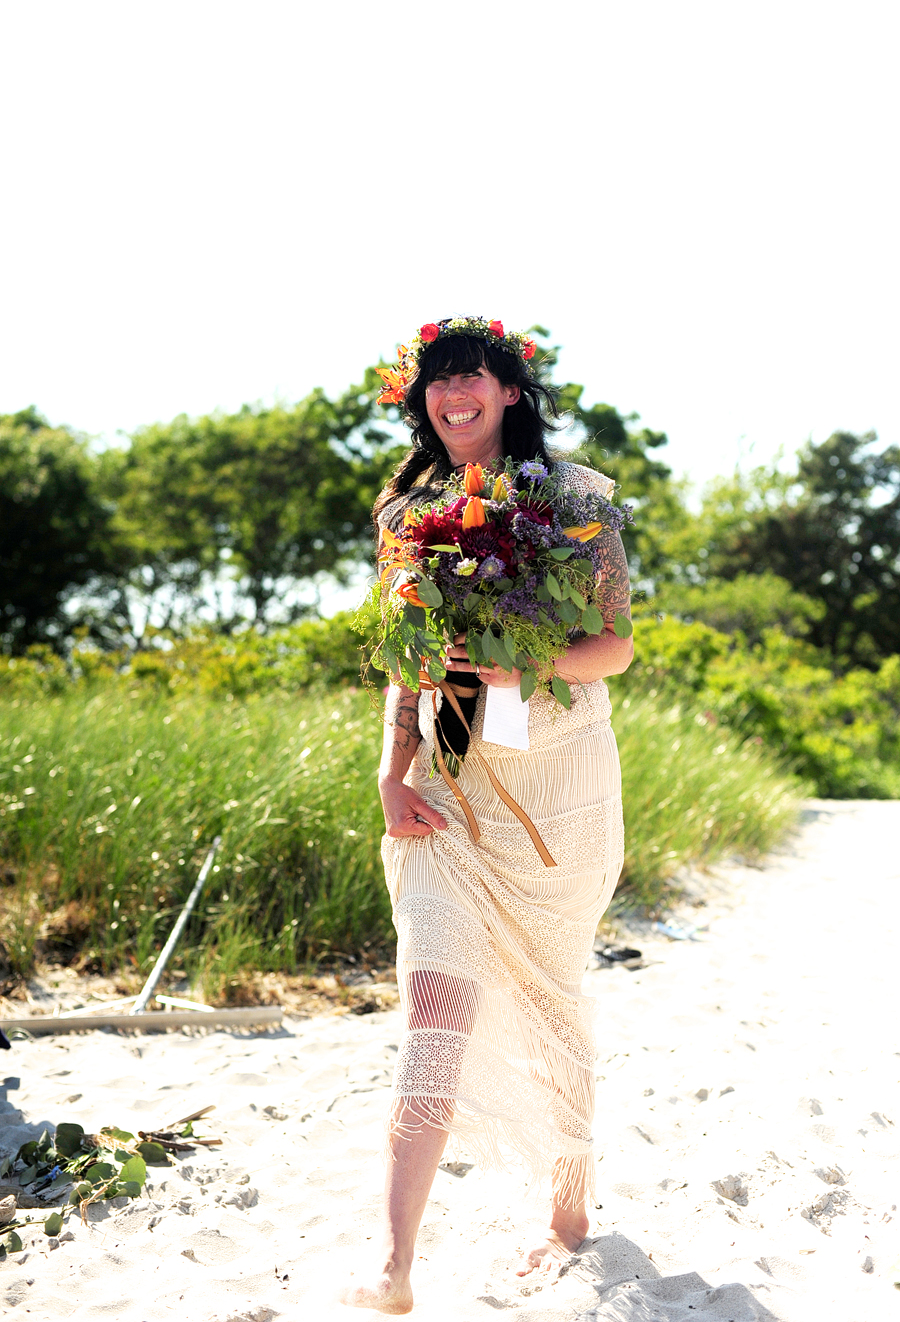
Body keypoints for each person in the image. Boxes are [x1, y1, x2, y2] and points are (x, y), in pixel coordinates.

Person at [340, 317, 633, 1314]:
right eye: (437, 380)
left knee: (553, 1001)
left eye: (473, 376)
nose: (453, 393)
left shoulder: (573, 499)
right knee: (434, 1008)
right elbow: (404, 660)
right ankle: (395, 1262)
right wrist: (393, 770)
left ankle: (567, 1214)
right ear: (420, 399)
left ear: (511, 391)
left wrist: (530, 662)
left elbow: (614, 649)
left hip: (558, 787)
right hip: (446, 790)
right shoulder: (403, 513)